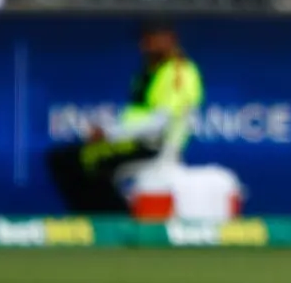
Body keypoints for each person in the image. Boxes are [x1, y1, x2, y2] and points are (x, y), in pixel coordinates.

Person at [47, 22, 204, 213]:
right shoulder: (149, 72)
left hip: (156, 146)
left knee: (86, 161)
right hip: (133, 142)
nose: (146, 45)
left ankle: (114, 223)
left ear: (170, 39)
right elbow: (136, 116)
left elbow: (160, 122)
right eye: (144, 39)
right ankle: (94, 223)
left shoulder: (179, 72)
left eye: (152, 38)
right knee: (63, 158)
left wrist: (109, 132)